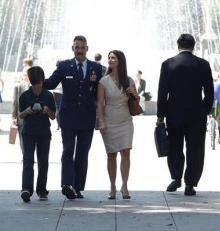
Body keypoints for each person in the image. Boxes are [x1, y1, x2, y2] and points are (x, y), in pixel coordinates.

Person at [43, 35, 102, 200]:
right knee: (68, 150)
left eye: (82, 48)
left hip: (87, 117)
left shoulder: (96, 68)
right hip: (68, 117)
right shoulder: (64, 66)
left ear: (87, 49)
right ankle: (66, 184)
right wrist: (37, 79)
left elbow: (102, 90)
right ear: (73, 48)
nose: (80, 51)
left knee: (83, 153)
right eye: (77, 48)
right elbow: (51, 83)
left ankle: (78, 187)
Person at [157, 34, 214, 196]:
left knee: (175, 146)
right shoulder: (203, 65)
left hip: (174, 114)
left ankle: (176, 178)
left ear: (177, 45)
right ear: (193, 46)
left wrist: (161, 115)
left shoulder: (167, 64)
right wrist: (205, 109)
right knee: (195, 149)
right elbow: (209, 92)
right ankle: (190, 183)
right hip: (196, 114)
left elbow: (162, 92)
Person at [97, 50, 137, 200]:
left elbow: (136, 102)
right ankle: (112, 186)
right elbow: (100, 104)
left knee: (126, 152)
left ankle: (125, 186)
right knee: (111, 154)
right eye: (109, 57)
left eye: (113, 57)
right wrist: (101, 123)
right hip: (109, 120)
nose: (110, 60)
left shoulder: (129, 80)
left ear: (120, 60)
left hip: (125, 120)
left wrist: (134, 93)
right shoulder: (103, 81)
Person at [18, 66, 56, 202]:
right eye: (35, 82)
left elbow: (53, 116)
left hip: (44, 132)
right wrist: (28, 111)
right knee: (28, 161)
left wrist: (47, 110)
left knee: (43, 162)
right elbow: (20, 115)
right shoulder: (24, 96)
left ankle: (42, 190)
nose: (37, 85)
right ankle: (26, 189)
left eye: (39, 82)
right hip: (28, 132)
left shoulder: (48, 95)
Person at [12, 59, 33, 152]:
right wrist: (13, 117)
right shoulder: (18, 88)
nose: (27, 77)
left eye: (29, 74)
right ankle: (25, 154)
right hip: (21, 117)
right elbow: (14, 103)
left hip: (34, 118)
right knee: (22, 138)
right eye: (25, 75)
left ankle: (30, 154)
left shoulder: (37, 87)